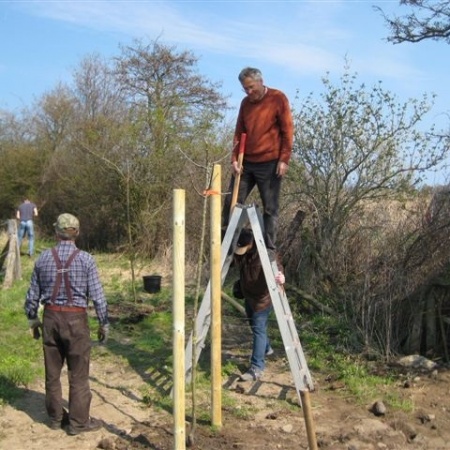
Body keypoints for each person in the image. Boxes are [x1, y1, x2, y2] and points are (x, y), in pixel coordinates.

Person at [24, 213, 109, 436]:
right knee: (78, 374)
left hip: (51, 319)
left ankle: (54, 418)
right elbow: (98, 296)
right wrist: (103, 323)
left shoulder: (42, 259)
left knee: (52, 373)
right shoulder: (87, 260)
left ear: (56, 233)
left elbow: (32, 295)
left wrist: (33, 319)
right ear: (77, 233)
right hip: (76, 321)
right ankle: (78, 423)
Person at [223, 67, 294, 249]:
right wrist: (233, 159)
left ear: (260, 82)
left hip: (270, 163)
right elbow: (239, 132)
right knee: (231, 202)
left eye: (251, 87)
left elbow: (287, 131)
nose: (248, 92)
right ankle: (228, 245)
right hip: (245, 163)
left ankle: (269, 248)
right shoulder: (245, 103)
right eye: (245, 88)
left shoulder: (278, 98)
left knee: (270, 208)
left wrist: (284, 159)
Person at [233, 228, 285, 381]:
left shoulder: (265, 254)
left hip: (263, 300)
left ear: (251, 243)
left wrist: (281, 277)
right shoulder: (243, 253)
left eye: (243, 247)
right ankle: (266, 348)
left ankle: (257, 367)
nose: (240, 251)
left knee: (258, 330)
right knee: (254, 326)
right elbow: (234, 261)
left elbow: (278, 267)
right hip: (249, 297)